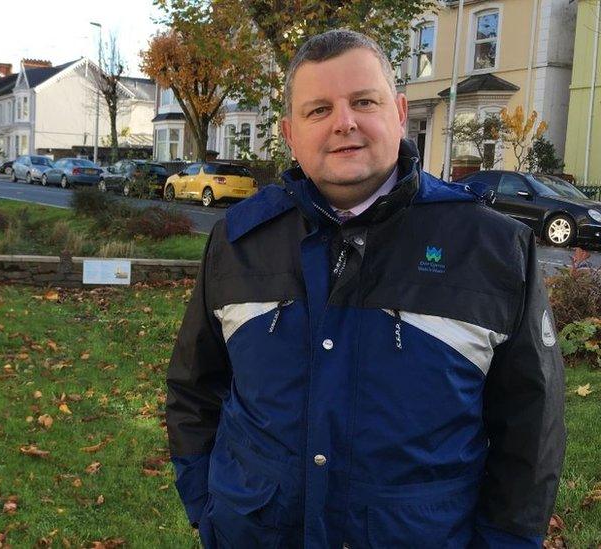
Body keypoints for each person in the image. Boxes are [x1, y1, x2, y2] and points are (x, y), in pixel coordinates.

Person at [166, 29, 565, 548]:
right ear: (290, 133)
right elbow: (194, 387)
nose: (344, 122)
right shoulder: (239, 239)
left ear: (399, 112)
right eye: (319, 110)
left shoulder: (490, 247)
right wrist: (207, 505)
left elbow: (530, 431)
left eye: (363, 101)